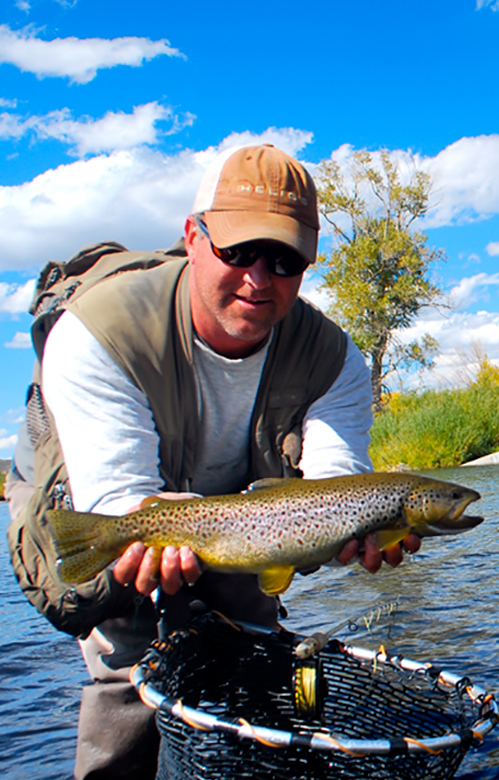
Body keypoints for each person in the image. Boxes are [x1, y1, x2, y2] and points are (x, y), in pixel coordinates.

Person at [7, 144, 416, 779]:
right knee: (129, 653)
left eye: (284, 260)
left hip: (244, 523)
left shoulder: (334, 360)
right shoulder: (97, 331)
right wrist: (142, 526)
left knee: (247, 652)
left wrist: (353, 533)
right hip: (117, 505)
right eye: (238, 251)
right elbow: (116, 497)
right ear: (193, 236)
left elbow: (335, 488)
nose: (259, 278)